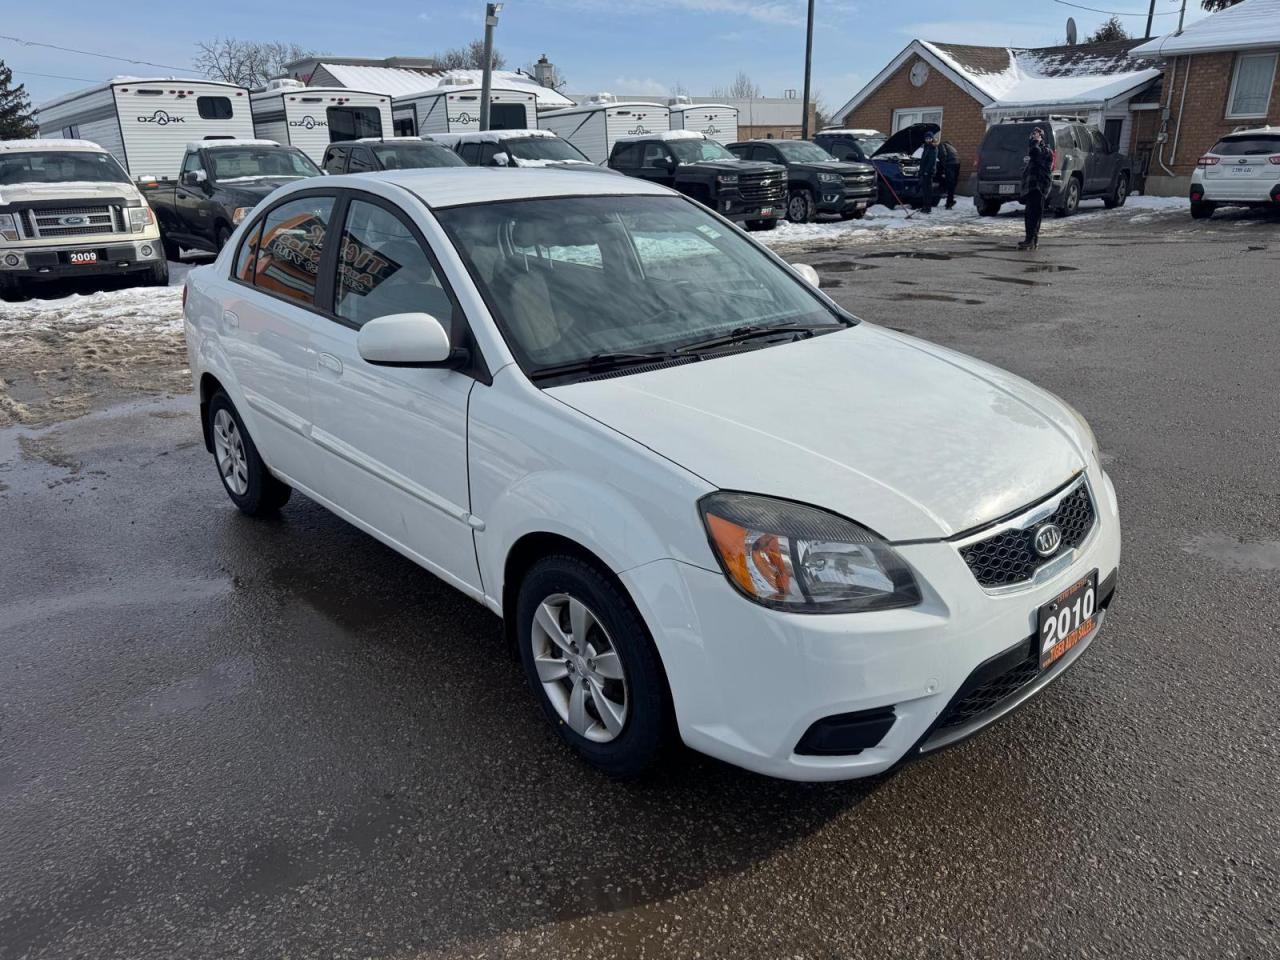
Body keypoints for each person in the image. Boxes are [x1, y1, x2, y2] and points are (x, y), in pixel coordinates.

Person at [1019, 127, 1053, 250]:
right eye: (1032, 136)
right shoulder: (1034, 149)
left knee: (1034, 215)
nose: (1034, 138)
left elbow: (1035, 154)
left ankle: (1031, 240)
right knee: (1029, 214)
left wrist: (1036, 142)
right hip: (1031, 188)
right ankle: (1030, 240)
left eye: (1037, 136)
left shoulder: (1045, 151)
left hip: (1039, 187)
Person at [917, 132, 939, 214]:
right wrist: (921, 171)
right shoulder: (926, 147)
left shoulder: (933, 148)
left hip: (929, 172)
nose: (928, 140)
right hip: (924, 171)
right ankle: (924, 206)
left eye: (929, 138)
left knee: (928, 190)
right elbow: (923, 160)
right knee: (924, 190)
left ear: (932, 138)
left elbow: (931, 161)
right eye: (926, 138)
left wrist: (926, 171)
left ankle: (928, 207)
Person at [936, 139, 961, 209]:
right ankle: (950, 201)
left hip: (950, 165)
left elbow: (943, 155)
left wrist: (944, 169)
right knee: (952, 184)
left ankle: (949, 203)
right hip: (957, 164)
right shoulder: (952, 148)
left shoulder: (941, 145)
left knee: (949, 184)